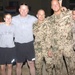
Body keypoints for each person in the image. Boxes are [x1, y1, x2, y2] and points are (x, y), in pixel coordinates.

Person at [43, 0, 75, 75]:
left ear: (59, 4)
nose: (55, 6)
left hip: (68, 48)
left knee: (72, 69)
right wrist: (49, 48)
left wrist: (67, 10)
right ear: (51, 7)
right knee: (58, 70)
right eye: (53, 5)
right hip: (56, 49)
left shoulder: (68, 14)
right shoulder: (49, 20)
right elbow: (48, 35)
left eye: (56, 4)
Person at [12, 3, 37, 75]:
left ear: (28, 10)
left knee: (31, 64)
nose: (23, 10)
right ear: (19, 10)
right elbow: (4, 23)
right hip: (18, 45)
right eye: (22, 9)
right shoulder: (14, 19)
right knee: (18, 64)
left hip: (29, 44)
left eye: (25, 9)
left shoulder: (33, 18)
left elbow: (42, 22)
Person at [33, 9, 51, 75]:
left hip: (48, 48)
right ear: (37, 15)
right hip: (38, 49)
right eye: (40, 14)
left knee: (49, 66)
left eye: (43, 14)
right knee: (38, 66)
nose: (41, 16)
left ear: (45, 15)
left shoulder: (49, 22)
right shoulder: (34, 24)